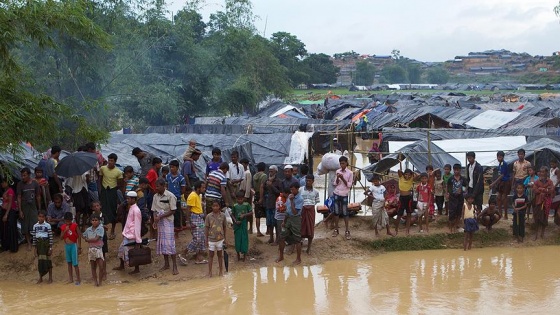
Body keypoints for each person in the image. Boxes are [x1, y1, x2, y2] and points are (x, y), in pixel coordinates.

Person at [152, 178, 179, 275]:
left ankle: (174, 266)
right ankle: (166, 264)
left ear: (163, 186)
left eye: (158, 186)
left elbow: (173, 210)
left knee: (170, 243)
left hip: (167, 221)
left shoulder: (170, 196)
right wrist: (155, 218)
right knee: (162, 243)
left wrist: (160, 216)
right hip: (160, 222)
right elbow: (154, 209)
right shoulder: (155, 196)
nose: (156, 188)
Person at [114, 191, 143, 274]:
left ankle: (136, 269)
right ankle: (122, 265)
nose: (127, 200)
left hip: (132, 235)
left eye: (128, 199)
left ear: (133, 199)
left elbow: (137, 226)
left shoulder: (136, 210)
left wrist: (138, 240)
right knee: (122, 250)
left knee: (133, 253)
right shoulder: (131, 208)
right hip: (128, 234)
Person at [276, 182, 303, 265]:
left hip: (296, 219)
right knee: (281, 237)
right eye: (291, 189)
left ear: (297, 189)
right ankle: (281, 256)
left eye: (293, 189)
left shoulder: (300, 199)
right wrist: (284, 221)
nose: (291, 191)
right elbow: (288, 211)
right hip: (288, 219)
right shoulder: (290, 196)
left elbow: (295, 212)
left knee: (297, 239)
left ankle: (298, 259)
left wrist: (291, 201)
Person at [98, 153, 124, 240]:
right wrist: (100, 190)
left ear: (115, 162)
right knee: (102, 210)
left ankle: (112, 230)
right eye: (109, 160)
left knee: (113, 210)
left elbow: (120, 184)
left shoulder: (119, 172)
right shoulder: (103, 168)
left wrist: (114, 189)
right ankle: (102, 229)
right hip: (104, 191)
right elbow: (100, 179)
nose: (110, 162)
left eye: (112, 161)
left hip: (112, 192)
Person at [17, 167, 42, 250]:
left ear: (29, 175)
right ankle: (29, 243)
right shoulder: (20, 184)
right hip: (24, 206)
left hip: (33, 205)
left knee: (36, 223)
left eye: (24, 175)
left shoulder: (35, 183)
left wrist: (39, 208)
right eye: (22, 175)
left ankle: (37, 241)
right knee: (25, 224)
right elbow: (19, 197)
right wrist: (20, 210)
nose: (23, 177)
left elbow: (38, 196)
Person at [184, 181, 207, 265]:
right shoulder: (192, 196)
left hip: (199, 218)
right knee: (197, 238)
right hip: (195, 218)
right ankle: (184, 252)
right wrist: (188, 222)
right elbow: (188, 209)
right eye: (203, 188)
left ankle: (199, 258)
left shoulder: (198, 195)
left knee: (201, 238)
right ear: (198, 188)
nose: (204, 189)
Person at [332, 156, 353, 240]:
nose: (342, 165)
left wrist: (342, 178)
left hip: (344, 194)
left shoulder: (350, 173)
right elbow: (335, 183)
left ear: (346, 163)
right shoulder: (337, 171)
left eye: (343, 163)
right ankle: (336, 229)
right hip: (337, 193)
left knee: (345, 213)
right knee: (336, 212)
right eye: (340, 163)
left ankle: (347, 231)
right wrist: (338, 177)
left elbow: (349, 185)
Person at [205, 200, 227, 277]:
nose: (215, 207)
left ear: (219, 207)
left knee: (220, 255)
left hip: (220, 239)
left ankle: (221, 271)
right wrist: (206, 239)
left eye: (216, 206)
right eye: (213, 206)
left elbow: (224, 227)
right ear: (211, 207)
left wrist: (225, 239)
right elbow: (206, 228)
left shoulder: (223, 216)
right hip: (211, 239)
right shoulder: (208, 216)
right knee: (211, 255)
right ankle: (210, 272)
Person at [533, 166, 555, 240]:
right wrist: (545, 190)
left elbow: (551, 190)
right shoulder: (537, 181)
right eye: (540, 172)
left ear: (546, 172)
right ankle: (536, 234)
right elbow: (535, 190)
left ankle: (542, 233)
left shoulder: (550, 181)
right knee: (537, 217)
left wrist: (541, 189)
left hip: (546, 202)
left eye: (543, 172)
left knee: (545, 217)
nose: (541, 173)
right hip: (538, 201)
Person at [300, 174, 320, 253]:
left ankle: (309, 247)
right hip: (302, 210)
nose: (307, 182)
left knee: (310, 228)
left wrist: (309, 207)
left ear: (313, 181)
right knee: (301, 228)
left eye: (309, 181)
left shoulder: (316, 192)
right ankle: (299, 246)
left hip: (311, 211)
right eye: (306, 181)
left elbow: (316, 202)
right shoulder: (300, 190)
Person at [32, 210, 53, 284]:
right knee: (40, 262)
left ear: (45, 217)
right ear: (37, 217)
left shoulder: (47, 225)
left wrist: (50, 248)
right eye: (39, 216)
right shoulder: (35, 226)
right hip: (39, 245)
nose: (41, 218)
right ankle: (40, 278)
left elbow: (50, 237)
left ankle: (50, 278)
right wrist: (35, 248)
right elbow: (34, 238)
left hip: (46, 244)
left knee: (48, 261)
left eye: (42, 217)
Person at [83, 213, 104, 286]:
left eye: (96, 220)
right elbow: (84, 236)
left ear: (99, 221)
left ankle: (100, 282)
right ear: (91, 221)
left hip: (98, 249)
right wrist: (86, 239)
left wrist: (88, 240)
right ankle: (96, 282)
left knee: (101, 266)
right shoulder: (88, 229)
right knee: (93, 266)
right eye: (93, 220)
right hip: (91, 249)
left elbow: (96, 239)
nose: (94, 221)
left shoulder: (101, 228)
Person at [65, 167, 90, 232]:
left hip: (84, 190)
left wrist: (87, 177)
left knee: (85, 210)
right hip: (76, 191)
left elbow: (87, 181)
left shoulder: (85, 170)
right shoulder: (72, 172)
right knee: (78, 211)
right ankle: (78, 226)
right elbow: (70, 184)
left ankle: (83, 226)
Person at [166, 160, 187, 235]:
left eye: (173, 167)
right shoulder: (168, 176)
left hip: (177, 197)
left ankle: (178, 226)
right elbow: (166, 185)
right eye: (170, 167)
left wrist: (178, 194)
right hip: (169, 197)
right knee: (169, 211)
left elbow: (183, 188)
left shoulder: (181, 178)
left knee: (177, 212)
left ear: (177, 168)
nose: (171, 169)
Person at [396, 168, 418, 236]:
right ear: (404, 174)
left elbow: (418, 175)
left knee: (409, 214)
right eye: (406, 174)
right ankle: (396, 229)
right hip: (402, 198)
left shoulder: (411, 179)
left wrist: (413, 172)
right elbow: (399, 170)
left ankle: (407, 230)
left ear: (411, 175)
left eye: (409, 175)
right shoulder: (401, 177)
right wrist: (404, 174)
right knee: (399, 214)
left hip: (409, 198)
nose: (407, 176)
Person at [61, 212, 81, 285]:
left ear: (72, 220)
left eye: (69, 221)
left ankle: (78, 279)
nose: (68, 223)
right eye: (66, 221)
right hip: (67, 246)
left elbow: (79, 235)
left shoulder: (75, 226)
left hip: (73, 246)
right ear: (64, 220)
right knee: (69, 263)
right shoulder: (63, 227)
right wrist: (65, 231)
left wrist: (79, 246)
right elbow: (61, 237)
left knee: (75, 264)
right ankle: (71, 278)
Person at [263, 165, 281, 244]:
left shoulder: (278, 181)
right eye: (269, 171)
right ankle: (271, 238)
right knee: (269, 223)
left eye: (272, 171)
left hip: (275, 205)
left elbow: (279, 193)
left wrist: (271, 186)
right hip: (268, 204)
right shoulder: (266, 180)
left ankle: (277, 239)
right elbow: (263, 189)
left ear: (276, 172)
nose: (270, 172)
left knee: (276, 223)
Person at [231, 191, 252, 262]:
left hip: (244, 225)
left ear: (243, 199)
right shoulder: (235, 206)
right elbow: (232, 214)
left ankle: (245, 256)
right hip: (237, 225)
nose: (240, 200)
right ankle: (238, 255)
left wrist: (244, 215)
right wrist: (235, 221)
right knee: (237, 240)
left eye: (241, 199)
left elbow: (251, 212)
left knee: (244, 239)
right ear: (236, 199)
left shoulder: (247, 205)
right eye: (238, 199)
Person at [490, 151, 511, 220]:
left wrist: (494, 183)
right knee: (498, 197)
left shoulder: (504, 164)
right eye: (498, 157)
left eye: (500, 157)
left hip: (505, 182)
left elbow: (502, 175)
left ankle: (505, 214)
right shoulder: (500, 164)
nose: (499, 158)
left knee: (504, 198)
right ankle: (500, 213)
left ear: (503, 157)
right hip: (501, 182)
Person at [90, 200, 108, 280]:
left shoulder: (103, 215)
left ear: (100, 206)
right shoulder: (92, 217)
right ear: (92, 208)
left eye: (97, 205)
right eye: (94, 206)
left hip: (103, 238)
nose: (96, 207)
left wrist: (101, 226)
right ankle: (95, 274)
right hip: (94, 240)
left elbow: (107, 227)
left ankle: (104, 273)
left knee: (103, 256)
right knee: (94, 257)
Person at [447, 164, 467, 233]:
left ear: (460, 170)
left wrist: (462, 191)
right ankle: (451, 227)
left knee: (459, 212)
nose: (456, 171)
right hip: (452, 198)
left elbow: (465, 187)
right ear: (453, 170)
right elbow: (448, 187)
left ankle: (456, 225)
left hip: (460, 198)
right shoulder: (451, 179)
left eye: (458, 170)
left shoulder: (463, 179)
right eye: (455, 170)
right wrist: (448, 193)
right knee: (452, 212)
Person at [1, 177, 19, 252]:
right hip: (5, 210)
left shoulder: (10, 191)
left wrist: (6, 214)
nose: (2, 184)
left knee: (11, 228)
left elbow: (10, 202)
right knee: (6, 229)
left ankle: (13, 247)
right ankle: (7, 246)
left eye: (3, 182)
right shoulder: (5, 191)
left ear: (7, 183)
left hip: (10, 211)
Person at [253, 162, 268, 237]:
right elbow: (262, 187)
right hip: (262, 196)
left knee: (257, 215)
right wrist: (261, 198)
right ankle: (268, 230)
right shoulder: (264, 176)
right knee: (267, 212)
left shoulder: (255, 176)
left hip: (256, 194)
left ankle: (258, 231)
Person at [238, 158, 253, 234]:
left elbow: (248, 185)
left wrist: (246, 196)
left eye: (243, 164)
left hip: (246, 194)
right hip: (241, 193)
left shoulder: (248, 173)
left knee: (248, 210)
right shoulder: (241, 172)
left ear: (246, 164)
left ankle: (250, 228)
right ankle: (245, 227)